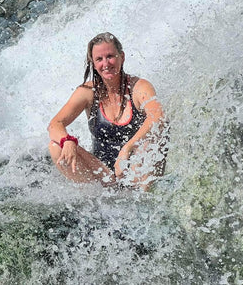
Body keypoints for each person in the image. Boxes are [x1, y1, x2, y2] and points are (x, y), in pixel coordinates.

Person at [47, 32, 168, 190]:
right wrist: (67, 140)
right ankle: (95, 198)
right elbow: (55, 124)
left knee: (158, 132)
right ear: (93, 63)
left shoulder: (139, 87)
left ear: (121, 57)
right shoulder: (88, 92)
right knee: (56, 146)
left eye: (110, 56)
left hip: (135, 169)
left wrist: (128, 148)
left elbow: (157, 116)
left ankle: (142, 199)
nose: (106, 63)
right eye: (99, 59)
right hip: (102, 174)